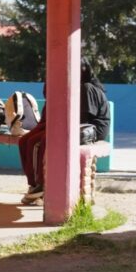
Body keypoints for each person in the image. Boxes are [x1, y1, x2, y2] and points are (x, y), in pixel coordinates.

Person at [19, 60, 110, 204]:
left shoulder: (87, 88)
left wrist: (57, 129)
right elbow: (49, 96)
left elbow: (84, 119)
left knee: (41, 142)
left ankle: (42, 184)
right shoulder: (71, 88)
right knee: (25, 140)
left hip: (90, 129)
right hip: (74, 124)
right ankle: (33, 184)